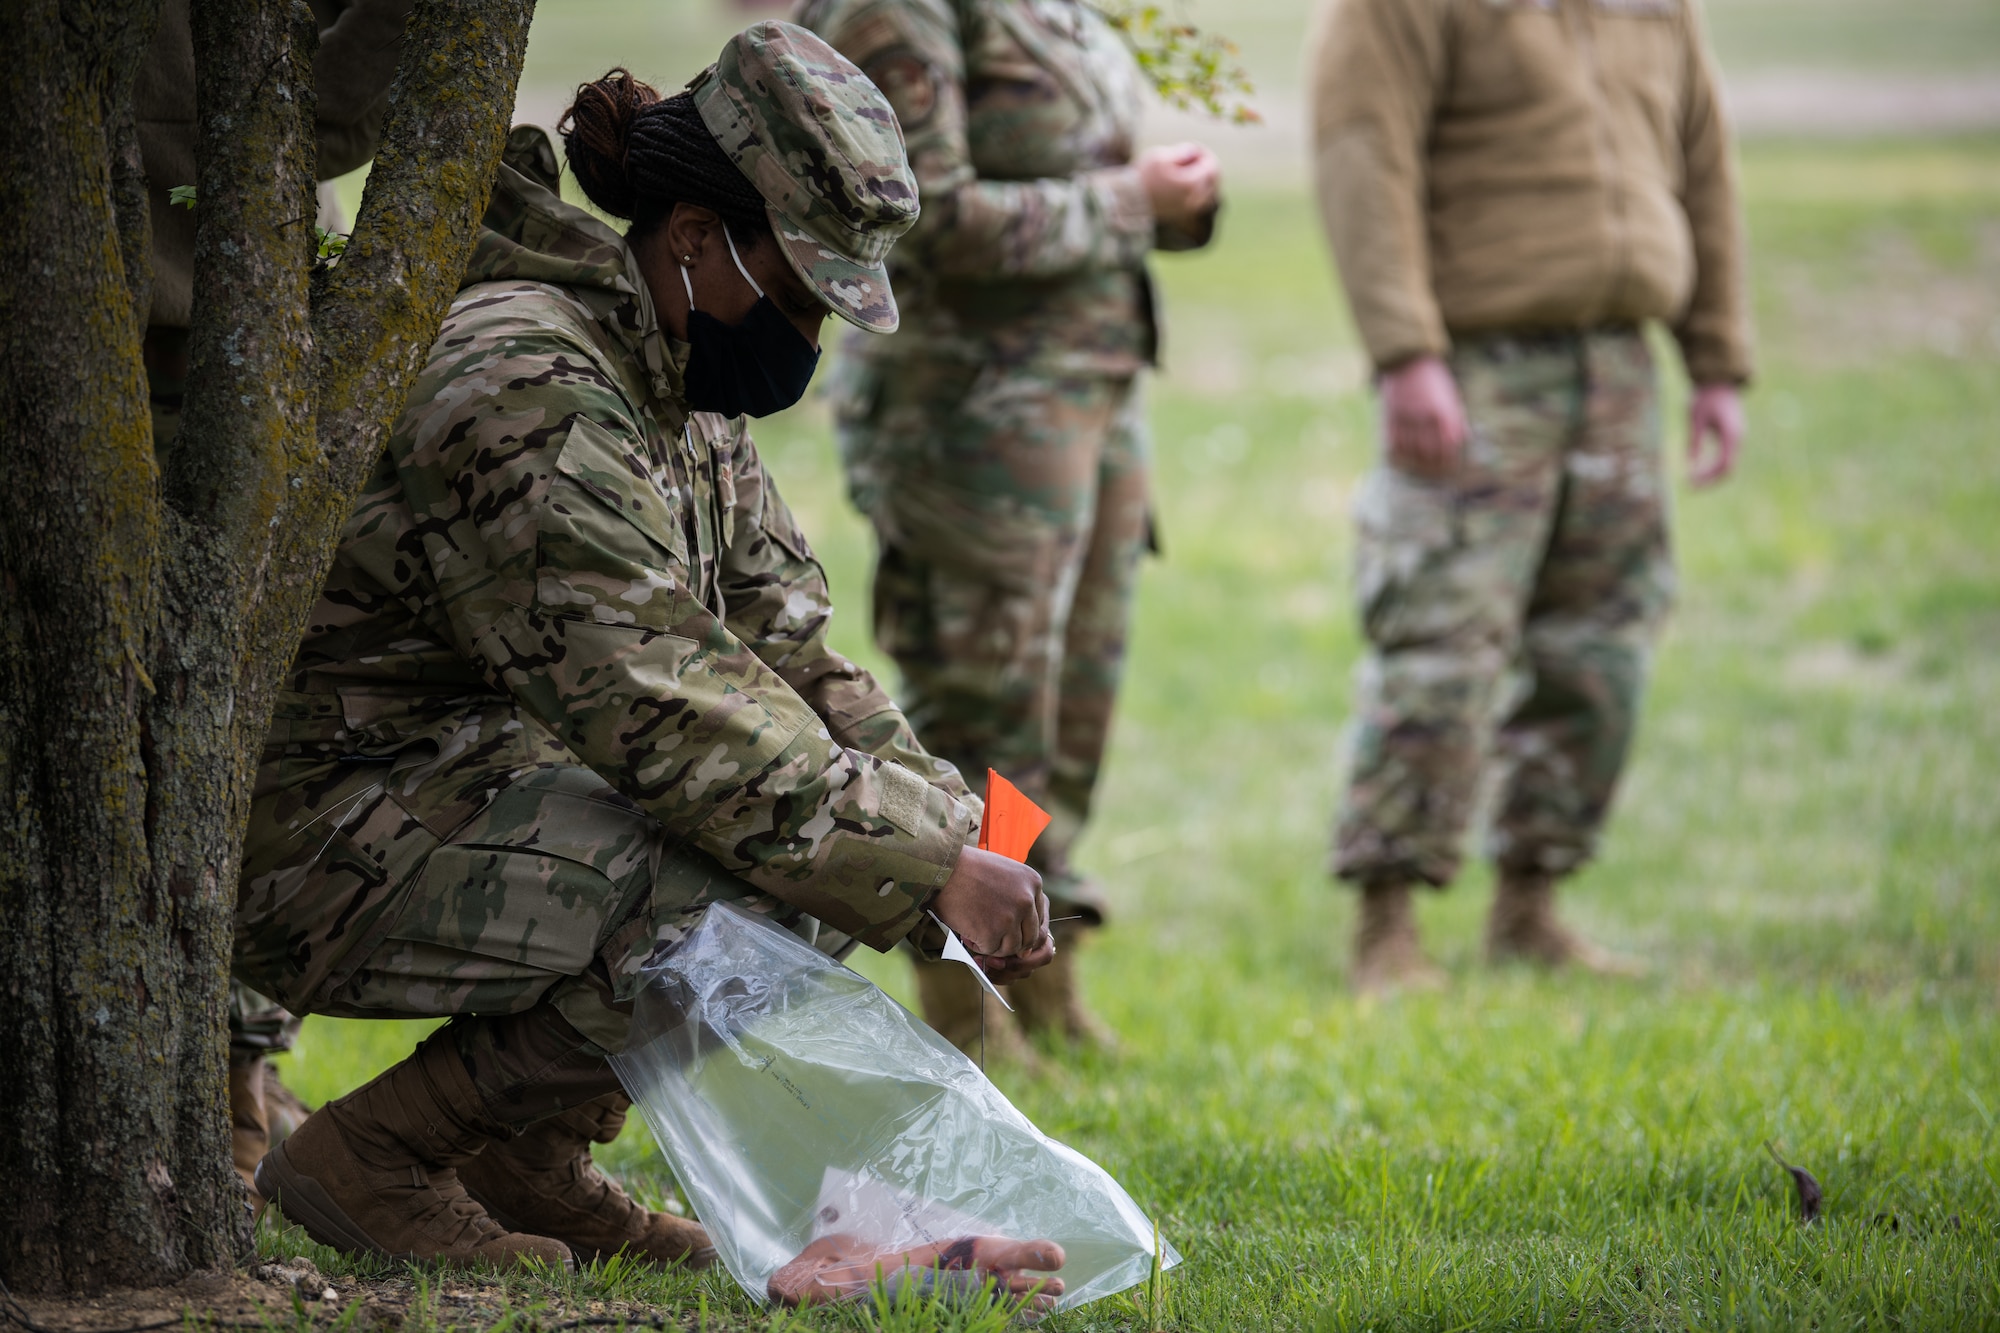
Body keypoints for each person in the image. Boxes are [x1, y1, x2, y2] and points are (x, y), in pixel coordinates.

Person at [239, 23, 1056, 1274]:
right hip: (312, 833)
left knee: (845, 855)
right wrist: (920, 857)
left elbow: (791, 649)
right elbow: (664, 706)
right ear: (689, 236)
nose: (800, 339)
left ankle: (529, 1163)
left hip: (445, 792)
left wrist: (956, 835)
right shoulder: (530, 381)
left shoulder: (667, 372)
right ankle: (379, 1156)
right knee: (759, 881)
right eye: (789, 296)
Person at [798, 0, 1220, 1059]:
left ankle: (1043, 975)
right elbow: (919, 214)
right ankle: (958, 999)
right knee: (983, 708)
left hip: (1087, 393)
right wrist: (1130, 199)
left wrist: (1164, 200)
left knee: (1063, 712)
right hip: (969, 406)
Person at [1308, 0, 1752, 992]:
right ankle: (1385, 926)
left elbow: (1702, 163)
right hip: (1474, 366)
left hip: (1617, 363)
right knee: (1440, 642)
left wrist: (1716, 359)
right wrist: (1403, 352)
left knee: (1598, 649)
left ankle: (1529, 905)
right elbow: (1359, 155)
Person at [135, 0, 419, 1202]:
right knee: (179, 727)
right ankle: (204, 1087)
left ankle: (236, 1074)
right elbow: (302, 113)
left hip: (238, 342)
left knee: (237, 714)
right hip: (149, 353)